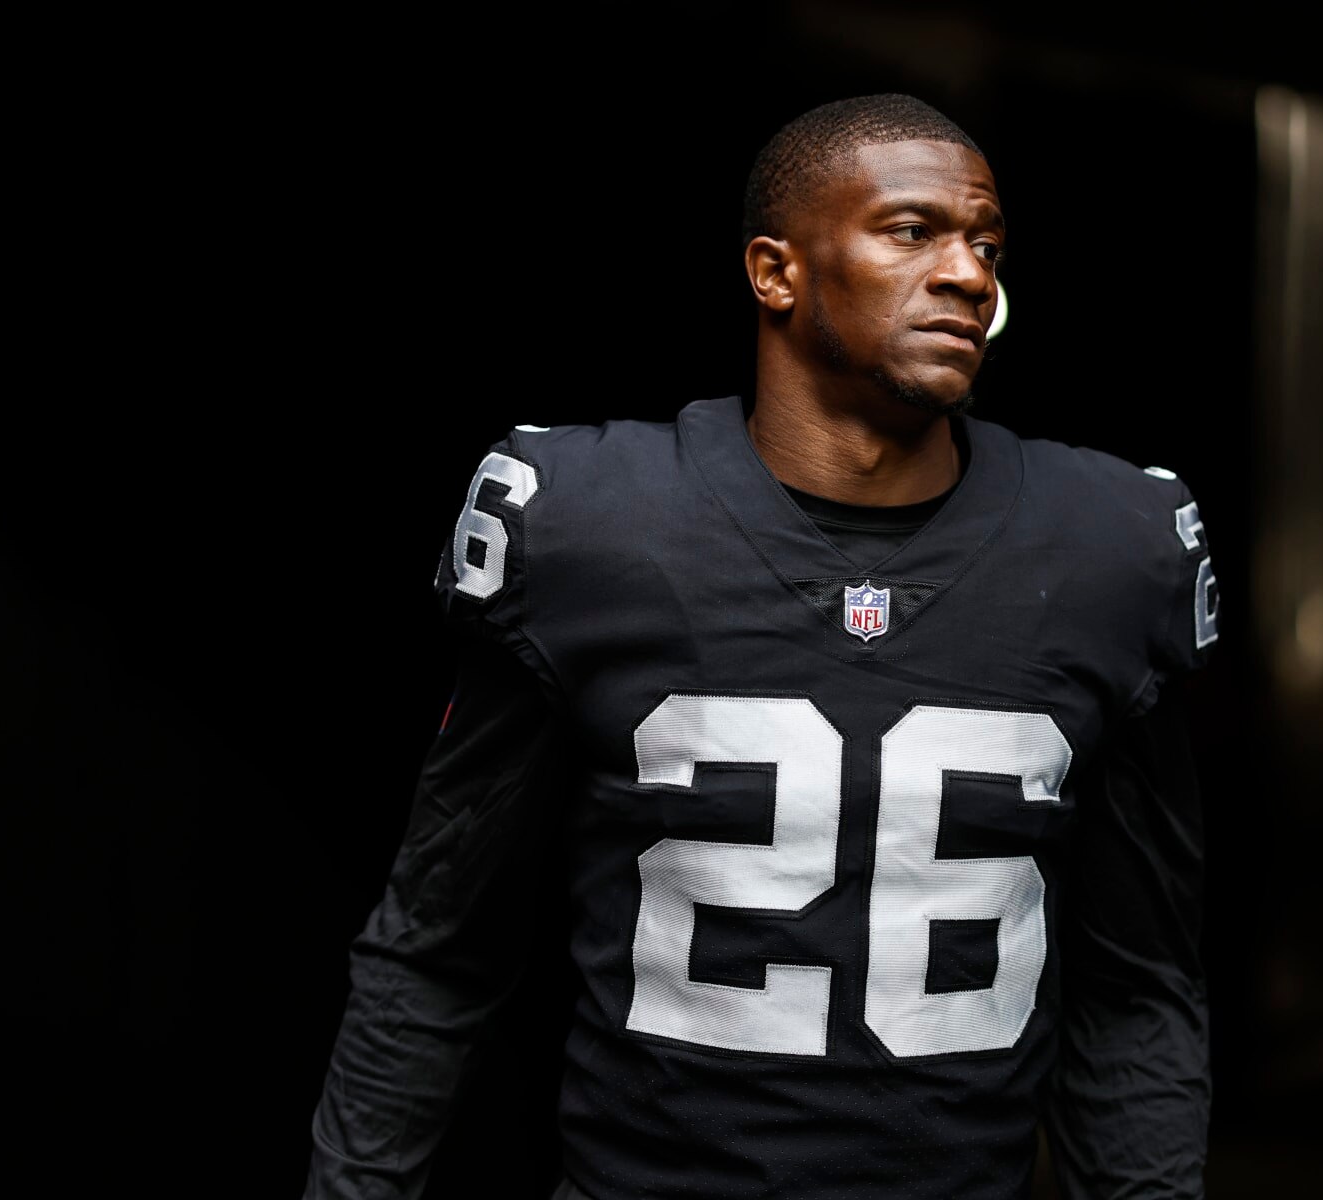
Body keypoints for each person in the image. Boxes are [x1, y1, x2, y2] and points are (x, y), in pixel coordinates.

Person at [306, 93, 1221, 1199]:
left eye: (986, 244)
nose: (970, 276)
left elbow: (1134, 990)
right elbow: (437, 953)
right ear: (775, 273)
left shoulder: (1104, 550)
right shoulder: (598, 527)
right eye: (910, 230)